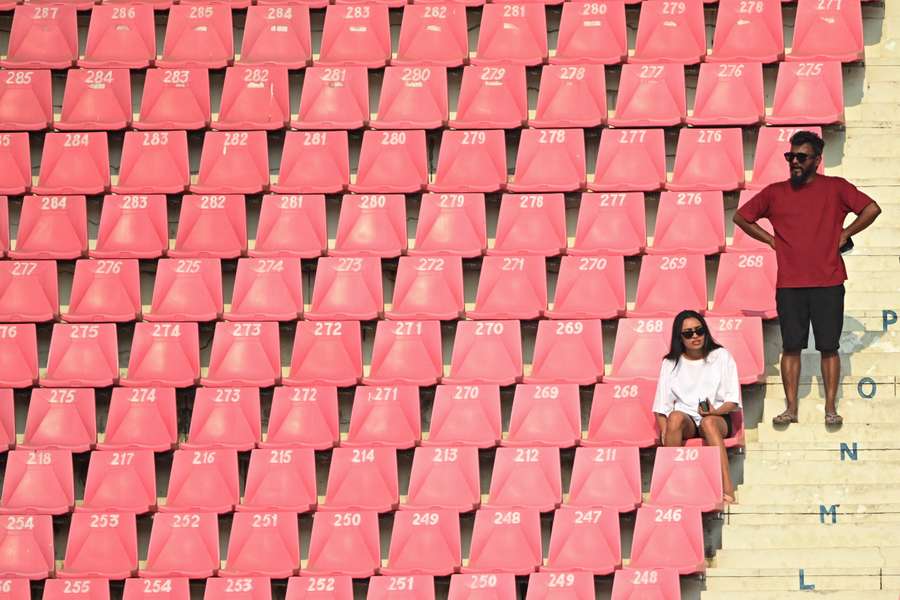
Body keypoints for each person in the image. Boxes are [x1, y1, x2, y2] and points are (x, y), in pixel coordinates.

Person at [733, 131, 881, 426]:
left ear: (817, 160)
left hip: (828, 280)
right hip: (790, 284)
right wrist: (772, 240)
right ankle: (791, 408)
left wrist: (846, 233)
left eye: (802, 157)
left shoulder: (836, 188)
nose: (795, 162)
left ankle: (830, 408)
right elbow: (741, 217)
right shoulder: (775, 193)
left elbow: (872, 208)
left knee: (829, 346)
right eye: (791, 157)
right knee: (791, 346)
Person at [652, 310, 741, 504]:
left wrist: (714, 412)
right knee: (674, 418)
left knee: (708, 423)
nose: (695, 336)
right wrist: (665, 430)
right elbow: (661, 408)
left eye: (699, 331)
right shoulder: (670, 363)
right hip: (688, 420)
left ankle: (727, 490)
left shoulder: (721, 355)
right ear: (680, 337)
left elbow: (733, 402)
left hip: (718, 417)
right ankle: (671, 489)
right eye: (688, 333)